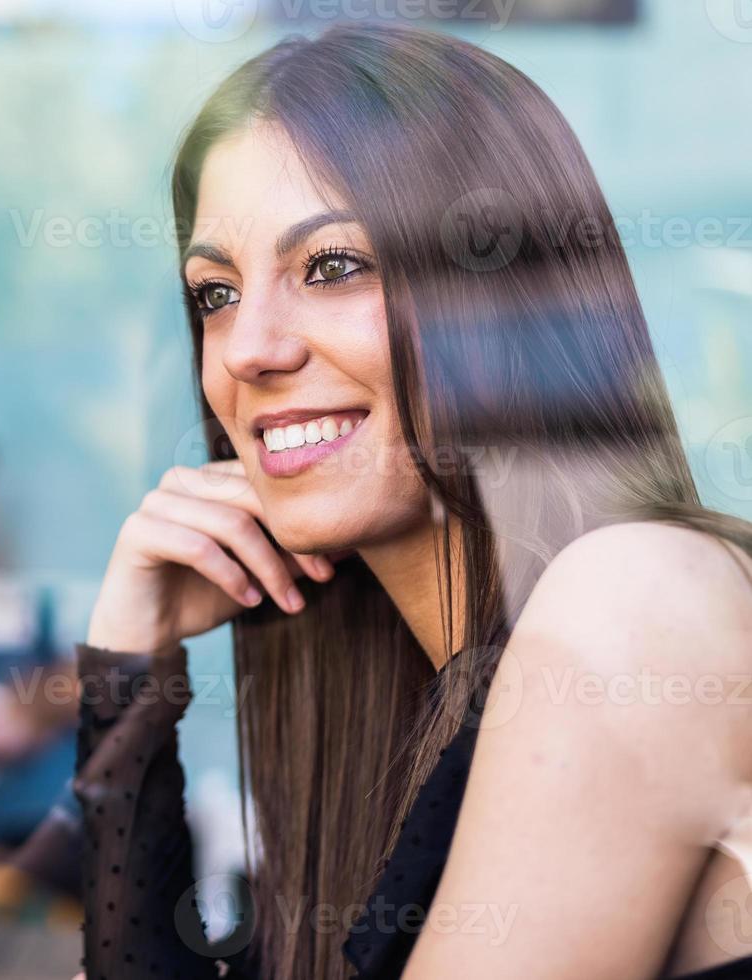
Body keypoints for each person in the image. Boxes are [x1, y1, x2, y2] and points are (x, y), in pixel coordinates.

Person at [71, 23, 752, 980]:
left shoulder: (636, 599)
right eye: (215, 294)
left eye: (334, 267)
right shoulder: (407, 722)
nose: (249, 349)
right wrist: (129, 667)